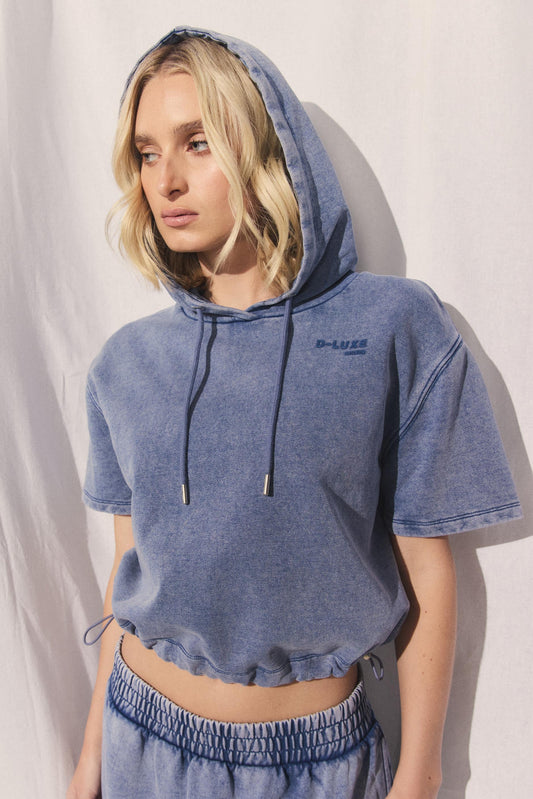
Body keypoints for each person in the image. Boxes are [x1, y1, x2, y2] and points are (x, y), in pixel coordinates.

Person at [67, 26, 522, 799]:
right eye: (146, 153)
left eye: (197, 143)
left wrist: (419, 773)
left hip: (315, 764)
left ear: (262, 147)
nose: (165, 180)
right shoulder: (126, 363)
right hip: (139, 739)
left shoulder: (391, 327)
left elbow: (427, 568)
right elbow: (127, 575)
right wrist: (89, 765)